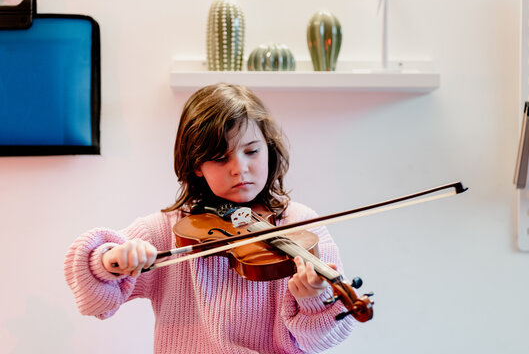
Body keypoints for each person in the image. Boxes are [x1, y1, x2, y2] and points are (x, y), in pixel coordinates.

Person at [64, 83, 357, 353]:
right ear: (197, 166)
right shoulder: (169, 230)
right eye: (220, 158)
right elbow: (92, 296)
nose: (239, 169)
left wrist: (312, 298)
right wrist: (111, 260)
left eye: (252, 151)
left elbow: (322, 339)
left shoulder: (300, 224)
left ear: (268, 148)